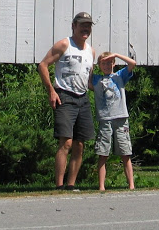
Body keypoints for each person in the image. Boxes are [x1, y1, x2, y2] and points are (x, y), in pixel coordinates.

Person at [37, 11, 96, 191]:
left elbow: (90, 80)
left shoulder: (90, 51)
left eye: (88, 25)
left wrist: (110, 82)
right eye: (82, 25)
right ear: (74, 26)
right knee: (66, 142)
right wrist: (51, 92)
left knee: (79, 143)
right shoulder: (64, 45)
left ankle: (71, 184)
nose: (85, 29)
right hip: (65, 96)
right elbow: (42, 65)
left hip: (83, 98)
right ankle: (59, 185)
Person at [89, 51, 136, 191]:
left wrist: (116, 54)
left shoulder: (119, 76)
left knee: (125, 153)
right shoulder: (96, 79)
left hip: (120, 118)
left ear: (114, 63)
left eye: (109, 62)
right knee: (103, 153)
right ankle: (102, 186)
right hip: (105, 119)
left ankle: (131, 185)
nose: (106, 65)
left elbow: (132, 63)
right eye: (103, 63)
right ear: (99, 65)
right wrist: (91, 58)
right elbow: (86, 76)